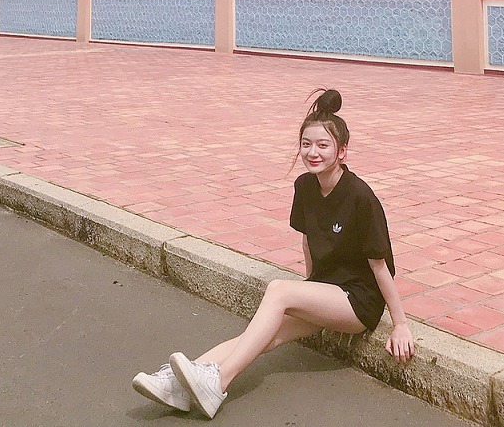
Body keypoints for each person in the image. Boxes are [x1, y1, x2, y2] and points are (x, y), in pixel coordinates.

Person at [131, 88, 414, 418]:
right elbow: (308, 242)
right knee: (260, 335)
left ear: (342, 152)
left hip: (359, 301)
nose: (313, 152)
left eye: (323, 146)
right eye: (306, 144)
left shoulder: (361, 197)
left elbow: (379, 266)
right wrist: (311, 292)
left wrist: (400, 324)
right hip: (328, 290)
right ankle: (178, 384)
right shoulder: (305, 186)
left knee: (279, 290)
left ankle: (218, 383)